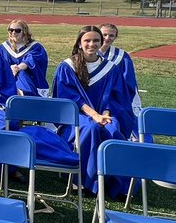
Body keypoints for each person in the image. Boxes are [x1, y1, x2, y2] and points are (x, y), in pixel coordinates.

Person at [52, 25, 129, 197]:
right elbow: (68, 98)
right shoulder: (67, 67)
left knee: (113, 129)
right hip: (75, 116)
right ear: (79, 43)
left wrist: (105, 115)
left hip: (103, 114)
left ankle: (115, 184)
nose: (92, 44)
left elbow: (116, 98)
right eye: (87, 40)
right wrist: (94, 115)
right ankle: (84, 181)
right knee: (90, 128)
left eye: (96, 40)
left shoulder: (110, 68)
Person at [100, 23, 141, 141]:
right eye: (104, 35)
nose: (107, 38)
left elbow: (128, 82)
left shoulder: (121, 56)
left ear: (115, 37)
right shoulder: (88, 54)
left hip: (115, 97)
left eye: (111, 36)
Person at [0, 19, 49, 98]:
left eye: (17, 30)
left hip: (30, 82)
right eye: (11, 30)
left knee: (22, 73)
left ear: (24, 32)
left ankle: (26, 96)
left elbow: (31, 60)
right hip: (7, 80)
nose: (13, 33)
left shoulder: (35, 47)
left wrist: (18, 68)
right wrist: (9, 69)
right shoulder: (2, 48)